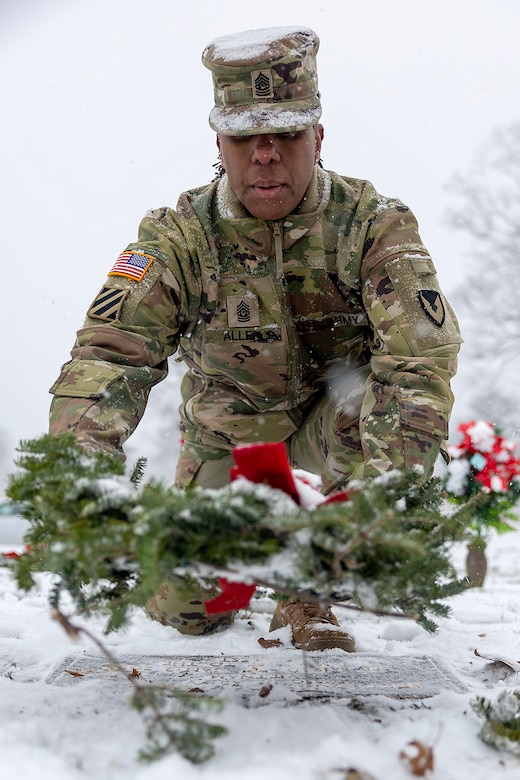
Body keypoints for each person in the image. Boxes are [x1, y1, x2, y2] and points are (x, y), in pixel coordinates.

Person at [48, 26, 462, 651]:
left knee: (369, 403)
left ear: (318, 137)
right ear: (218, 141)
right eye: (245, 138)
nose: (265, 155)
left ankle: (308, 589)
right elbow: (110, 354)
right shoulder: (177, 238)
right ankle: (222, 570)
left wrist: (380, 501)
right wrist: (82, 479)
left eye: (287, 135)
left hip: (337, 428)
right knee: (192, 608)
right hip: (231, 437)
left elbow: (417, 363)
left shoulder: (375, 228)